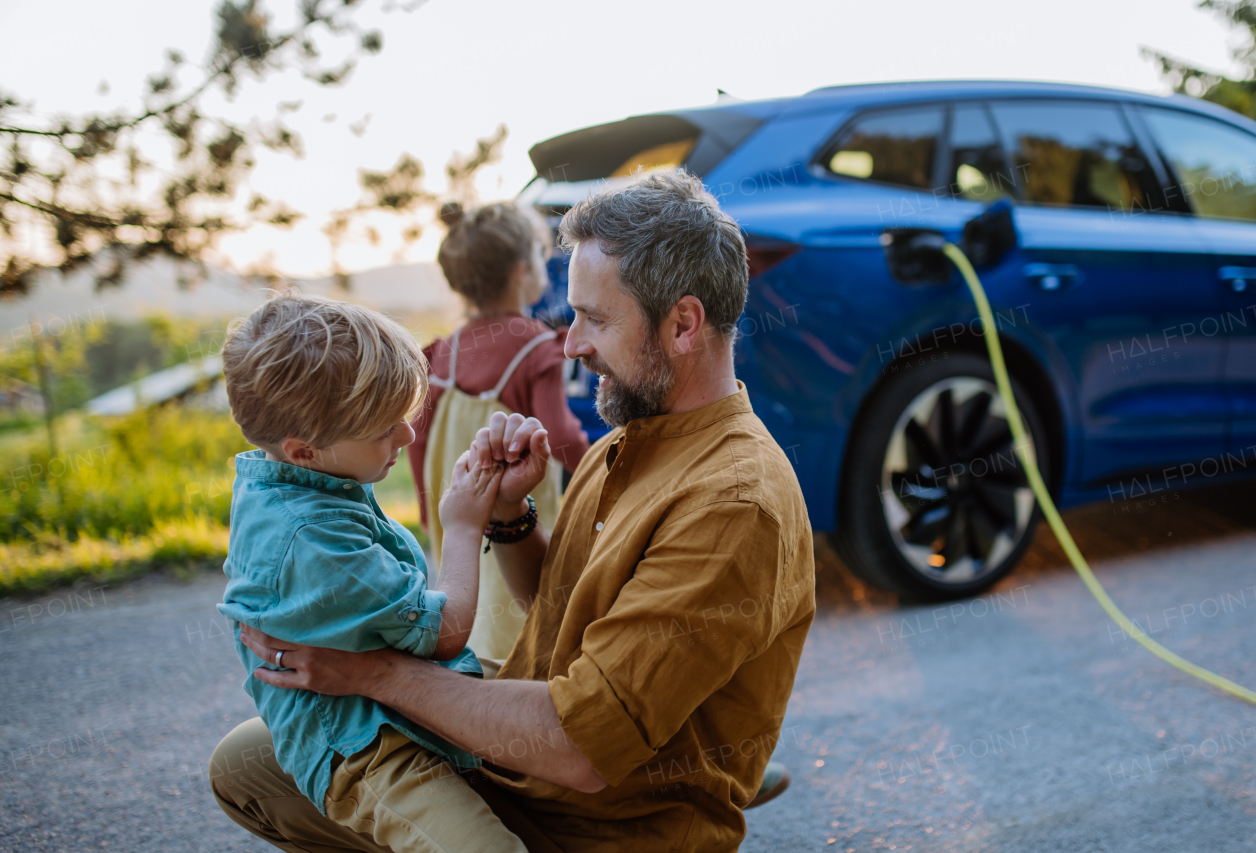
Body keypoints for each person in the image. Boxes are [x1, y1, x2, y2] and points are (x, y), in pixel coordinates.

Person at [211, 169, 816, 852]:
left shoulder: (735, 502)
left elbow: (579, 747)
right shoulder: (630, 438)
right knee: (250, 761)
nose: (571, 344)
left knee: (338, 757)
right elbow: (560, 601)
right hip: (517, 777)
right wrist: (509, 517)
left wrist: (372, 672)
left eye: (596, 319)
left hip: (598, 825)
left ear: (682, 324)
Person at [215, 291, 528, 852]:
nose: (407, 437)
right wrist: (460, 525)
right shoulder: (312, 538)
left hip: (387, 707)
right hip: (366, 749)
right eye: (386, 430)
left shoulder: (290, 479)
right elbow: (447, 630)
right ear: (304, 450)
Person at [409, 201, 589, 660]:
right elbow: (561, 435)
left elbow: (418, 442)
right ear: (520, 269)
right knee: (523, 613)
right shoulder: (533, 345)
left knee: (467, 601)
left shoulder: (443, 351)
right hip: (515, 512)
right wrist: (601, 468)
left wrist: (430, 509)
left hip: (458, 506)